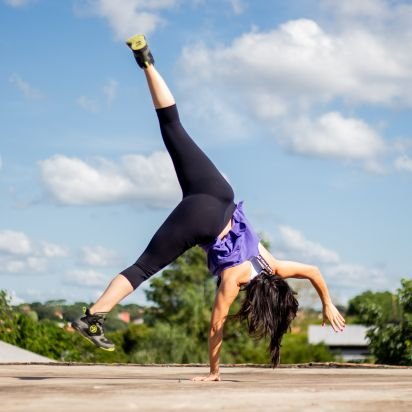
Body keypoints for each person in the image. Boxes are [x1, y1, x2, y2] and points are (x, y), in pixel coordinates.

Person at [72, 34, 346, 381]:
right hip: (202, 219)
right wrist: (214, 372)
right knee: (142, 269)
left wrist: (327, 302)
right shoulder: (234, 280)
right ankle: (92, 317)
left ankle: (147, 62)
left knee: (172, 126)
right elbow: (216, 325)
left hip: (218, 192)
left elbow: (314, 271)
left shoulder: (272, 266)